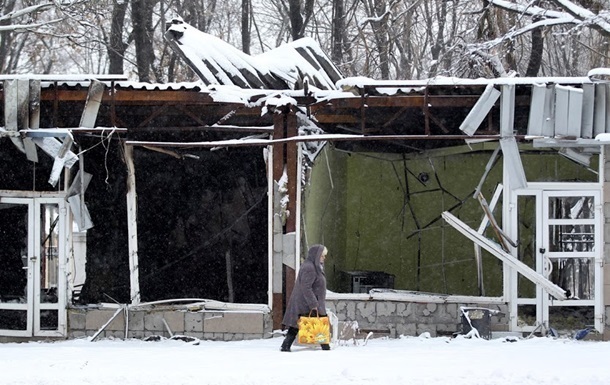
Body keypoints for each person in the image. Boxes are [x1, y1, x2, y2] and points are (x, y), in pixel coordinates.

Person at [280, 244, 330, 352]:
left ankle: (286, 346)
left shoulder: (314, 266)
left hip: (311, 302)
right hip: (308, 303)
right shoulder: (310, 268)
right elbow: (306, 288)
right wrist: (314, 304)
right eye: (322, 256)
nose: (324, 258)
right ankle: (325, 347)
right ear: (316, 255)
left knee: (299, 324)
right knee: (318, 323)